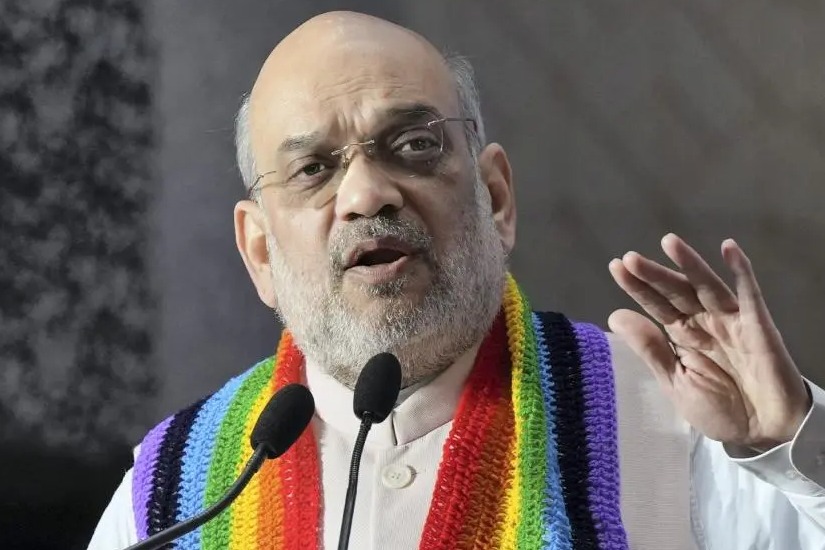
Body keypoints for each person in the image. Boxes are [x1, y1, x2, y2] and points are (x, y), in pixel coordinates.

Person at [88, 11, 825, 550]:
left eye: (413, 145)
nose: (366, 194)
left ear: (495, 198)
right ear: (258, 253)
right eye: (313, 169)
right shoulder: (175, 491)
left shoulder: (682, 423)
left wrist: (794, 443)